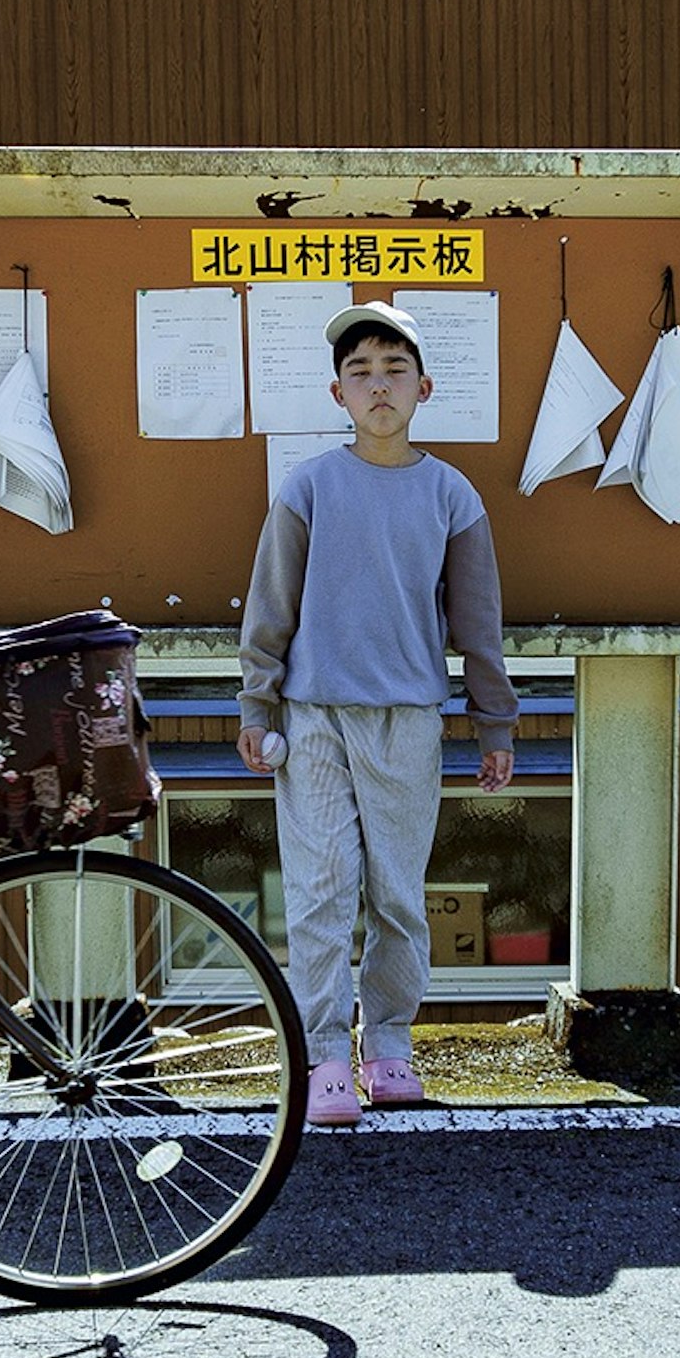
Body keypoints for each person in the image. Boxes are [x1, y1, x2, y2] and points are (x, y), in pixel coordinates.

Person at [235, 301, 520, 1128]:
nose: (378, 386)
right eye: (360, 372)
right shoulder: (309, 487)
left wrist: (492, 723)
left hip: (410, 719)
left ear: (424, 387)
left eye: (394, 370)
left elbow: (478, 620)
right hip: (313, 716)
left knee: (398, 894)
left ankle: (388, 1043)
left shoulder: (451, 495)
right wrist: (257, 703)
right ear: (337, 393)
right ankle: (325, 1053)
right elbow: (270, 608)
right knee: (322, 892)